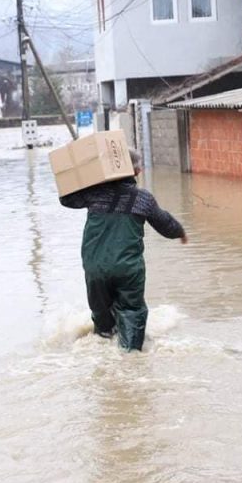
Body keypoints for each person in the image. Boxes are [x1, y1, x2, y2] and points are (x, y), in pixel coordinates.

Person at [59, 149, 187, 351]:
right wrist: (180, 232)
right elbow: (165, 224)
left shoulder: (94, 194)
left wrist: (84, 176)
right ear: (136, 171)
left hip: (95, 268)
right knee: (132, 313)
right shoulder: (143, 199)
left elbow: (66, 199)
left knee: (102, 320)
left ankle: (103, 352)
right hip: (128, 269)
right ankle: (131, 360)